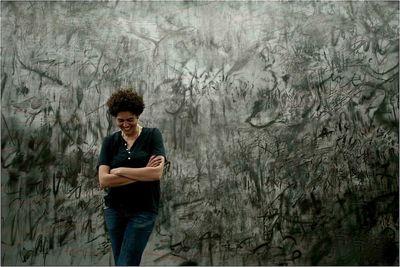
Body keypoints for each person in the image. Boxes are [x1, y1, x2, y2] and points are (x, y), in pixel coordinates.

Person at [97, 88, 166, 266]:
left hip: (143, 210)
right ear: (115, 118)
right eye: (120, 120)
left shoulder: (152, 135)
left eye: (130, 120)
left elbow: (156, 173)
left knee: (126, 263)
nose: (125, 124)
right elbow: (104, 180)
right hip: (114, 211)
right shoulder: (110, 142)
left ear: (137, 116)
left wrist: (119, 171)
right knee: (124, 262)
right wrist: (143, 173)